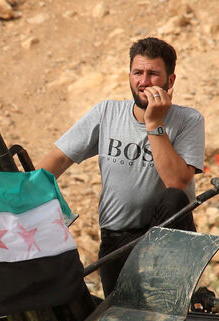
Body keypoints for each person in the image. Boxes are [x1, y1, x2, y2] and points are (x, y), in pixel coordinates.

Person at [37, 37, 205, 295]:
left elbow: (177, 181)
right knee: (117, 314)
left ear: (170, 81)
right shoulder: (107, 112)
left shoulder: (188, 120)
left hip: (166, 236)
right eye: (138, 73)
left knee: (174, 198)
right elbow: (59, 159)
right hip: (117, 241)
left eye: (153, 74)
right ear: (129, 76)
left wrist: (154, 124)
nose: (144, 81)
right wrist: (22, 196)